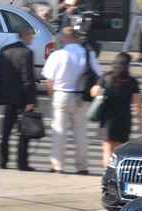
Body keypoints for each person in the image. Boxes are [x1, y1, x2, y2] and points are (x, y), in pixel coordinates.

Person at [42, 27, 102, 174]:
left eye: (62, 38)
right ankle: (82, 166)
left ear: (66, 38)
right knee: (80, 132)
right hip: (80, 97)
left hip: (61, 95)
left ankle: (58, 166)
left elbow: (49, 79)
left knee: (59, 132)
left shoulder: (58, 55)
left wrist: (51, 94)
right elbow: (100, 75)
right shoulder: (88, 54)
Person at [0, 26, 37, 171]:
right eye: (31, 36)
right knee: (24, 132)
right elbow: (27, 78)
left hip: (7, 97)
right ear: (25, 35)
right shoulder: (27, 52)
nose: (32, 39)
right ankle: (21, 163)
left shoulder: (5, 50)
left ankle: (3, 161)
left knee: (6, 131)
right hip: (22, 98)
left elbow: (0, 74)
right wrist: (31, 100)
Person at [90, 52, 142, 168]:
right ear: (127, 65)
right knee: (120, 151)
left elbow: (94, 93)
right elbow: (137, 104)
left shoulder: (106, 77)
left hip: (107, 118)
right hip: (123, 118)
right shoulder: (132, 82)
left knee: (107, 149)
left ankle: (107, 173)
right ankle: (118, 173)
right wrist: (140, 123)